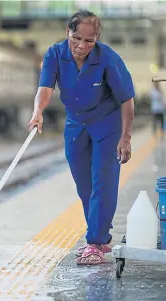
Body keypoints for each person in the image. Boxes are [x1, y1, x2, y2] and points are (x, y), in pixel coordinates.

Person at [28, 9, 135, 265]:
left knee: (103, 182)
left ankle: (96, 241)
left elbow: (127, 101)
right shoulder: (55, 54)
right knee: (83, 185)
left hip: (106, 124)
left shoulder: (108, 58)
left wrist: (126, 137)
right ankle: (99, 236)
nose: (81, 45)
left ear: (96, 39)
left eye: (89, 41)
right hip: (76, 123)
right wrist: (38, 112)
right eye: (76, 38)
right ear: (68, 32)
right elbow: (45, 89)